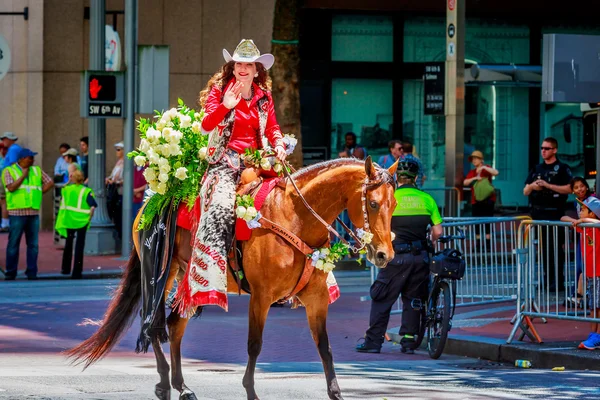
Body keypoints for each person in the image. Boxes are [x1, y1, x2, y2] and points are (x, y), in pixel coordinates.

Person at [194, 39, 284, 278]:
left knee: (288, 201)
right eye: (238, 64)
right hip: (224, 163)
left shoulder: (264, 96)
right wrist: (225, 106)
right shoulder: (220, 90)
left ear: (257, 71)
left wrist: (279, 144)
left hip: (258, 163)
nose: (243, 68)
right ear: (233, 68)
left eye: (249, 64)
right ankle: (211, 270)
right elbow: (205, 126)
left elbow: (272, 127)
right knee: (221, 208)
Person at [356, 160, 443, 354]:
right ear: (416, 177)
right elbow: (437, 231)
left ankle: (373, 342)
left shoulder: (390, 197)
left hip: (395, 256)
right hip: (420, 257)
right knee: (414, 300)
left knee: (382, 297)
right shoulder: (427, 199)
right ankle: (409, 342)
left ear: (397, 177)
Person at [524, 137, 572, 291]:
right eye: (542, 148)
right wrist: (533, 186)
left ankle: (558, 281)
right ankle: (546, 279)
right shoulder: (537, 169)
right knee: (543, 249)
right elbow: (525, 191)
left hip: (555, 213)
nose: (543, 151)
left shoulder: (562, 168)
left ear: (554, 150)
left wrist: (548, 185)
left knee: (556, 248)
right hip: (538, 213)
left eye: (547, 148)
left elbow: (570, 189)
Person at [2, 148, 54, 280]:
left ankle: (31, 272)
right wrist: (23, 176)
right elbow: (11, 187)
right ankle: (11, 272)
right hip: (17, 213)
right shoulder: (9, 171)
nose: (32, 160)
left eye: (32, 157)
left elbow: (50, 182)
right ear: (21, 159)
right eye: (29, 157)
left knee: (33, 245)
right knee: (14, 243)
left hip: (33, 212)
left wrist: (39, 192)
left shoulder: (36, 170)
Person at [561, 197, 600, 350]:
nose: (580, 211)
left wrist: (587, 221)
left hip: (599, 273)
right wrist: (577, 220)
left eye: (583, 209)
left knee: (599, 305)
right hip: (591, 273)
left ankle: (597, 337)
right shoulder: (583, 226)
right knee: (593, 306)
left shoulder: (593, 226)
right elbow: (562, 218)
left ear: (592, 213)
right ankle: (593, 334)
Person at [55, 169, 97, 279]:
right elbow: (93, 205)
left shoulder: (67, 189)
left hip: (69, 220)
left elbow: (61, 190)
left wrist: (68, 181)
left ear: (72, 178)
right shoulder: (86, 191)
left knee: (68, 244)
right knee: (79, 246)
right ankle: (77, 272)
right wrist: (90, 216)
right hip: (82, 221)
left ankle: (65, 269)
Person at [567, 177, 594, 306]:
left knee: (589, 267)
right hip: (583, 236)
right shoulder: (576, 202)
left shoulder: (593, 201)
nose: (580, 189)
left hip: (593, 238)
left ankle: (584, 295)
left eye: (582, 186)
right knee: (580, 267)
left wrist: (582, 221)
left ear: (587, 187)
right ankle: (579, 295)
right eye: (576, 187)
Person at [463, 150, 499, 239]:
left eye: (476, 158)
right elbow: (465, 182)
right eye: (472, 159)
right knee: (477, 224)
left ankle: (487, 245)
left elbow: (496, 172)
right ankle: (478, 246)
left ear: (481, 159)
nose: (474, 161)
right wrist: (475, 178)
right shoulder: (472, 172)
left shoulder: (486, 168)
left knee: (487, 223)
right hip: (476, 201)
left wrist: (484, 168)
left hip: (488, 201)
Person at [0, 132, 23, 232]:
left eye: (5, 139)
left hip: (7, 177)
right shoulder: (14, 149)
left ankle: (5, 224)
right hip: (8, 176)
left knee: (3, 200)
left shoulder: (13, 149)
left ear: (11, 139)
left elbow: (14, 164)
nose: (3, 141)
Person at [106, 141, 125, 238]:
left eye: (119, 150)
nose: (117, 152)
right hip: (114, 192)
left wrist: (116, 182)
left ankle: (121, 236)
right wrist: (108, 179)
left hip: (121, 192)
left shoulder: (127, 162)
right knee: (115, 215)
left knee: (119, 216)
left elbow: (127, 179)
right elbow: (113, 176)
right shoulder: (118, 162)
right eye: (116, 150)